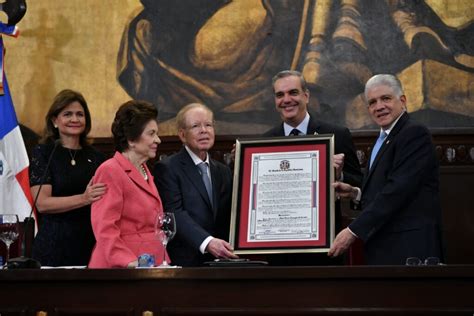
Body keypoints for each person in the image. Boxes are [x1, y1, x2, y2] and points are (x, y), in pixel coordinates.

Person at [328, 74, 443, 265]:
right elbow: (383, 187)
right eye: (372, 102)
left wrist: (353, 230)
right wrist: (355, 192)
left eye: (386, 98)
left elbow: (397, 190)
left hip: (410, 250)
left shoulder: (414, 133)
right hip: (386, 247)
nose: (379, 106)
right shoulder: (383, 138)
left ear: (403, 101)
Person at [263, 70, 363, 265]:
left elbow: (359, 182)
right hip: (278, 252)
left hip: (324, 251)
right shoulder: (264, 142)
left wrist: (339, 173)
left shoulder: (337, 134)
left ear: (306, 96)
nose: (286, 100)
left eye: (293, 92)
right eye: (280, 95)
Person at [153, 103, 238, 267]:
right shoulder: (168, 168)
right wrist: (208, 242)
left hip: (222, 261)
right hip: (186, 262)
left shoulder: (223, 171)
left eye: (208, 125)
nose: (204, 130)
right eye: (195, 126)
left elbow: (232, 214)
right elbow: (174, 213)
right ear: (182, 134)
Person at [29, 89, 107, 266]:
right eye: (67, 114)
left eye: (80, 114)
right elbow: (42, 203)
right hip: (53, 246)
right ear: (55, 120)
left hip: (90, 243)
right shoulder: (43, 153)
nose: (75, 119)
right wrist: (84, 198)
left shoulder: (98, 158)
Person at [88, 100, 168, 268]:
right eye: (151, 134)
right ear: (132, 139)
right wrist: (129, 262)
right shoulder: (110, 170)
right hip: (121, 269)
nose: (158, 140)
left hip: (148, 266)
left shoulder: (145, 169)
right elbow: (105, 228)